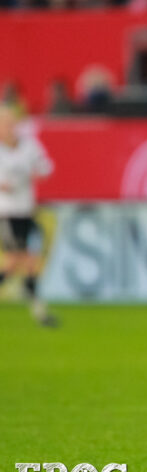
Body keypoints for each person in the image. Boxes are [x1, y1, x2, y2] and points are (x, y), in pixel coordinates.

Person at [0, 104, 58, 327]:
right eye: (5, 124)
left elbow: (46, 167)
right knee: (14, 263)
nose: (8, 128)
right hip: (7, 214)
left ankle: (39, 312)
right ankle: (39, 311)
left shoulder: (29, 146)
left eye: (11, 123)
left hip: (27, 211)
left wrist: (35, 173)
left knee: (31, 263)